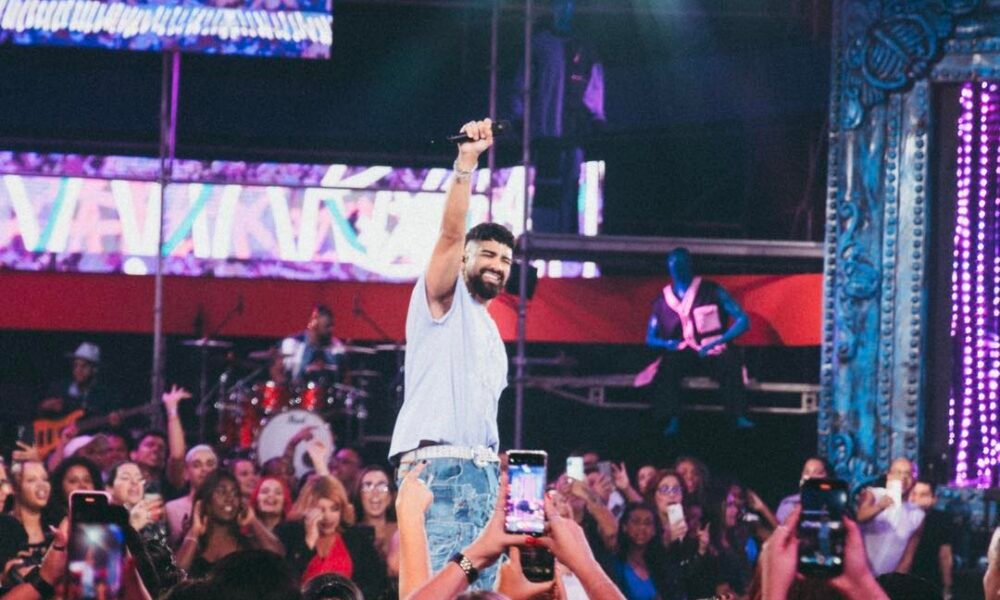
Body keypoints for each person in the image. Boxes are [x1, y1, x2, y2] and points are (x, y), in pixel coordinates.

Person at [388, 118, 512, 590]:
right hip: (439, 473)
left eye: (505, 260)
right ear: (464, 259)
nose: (497, 265)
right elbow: (449, 234)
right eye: (487, 254)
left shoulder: (491, 333)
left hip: (483, 477)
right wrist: (466, 164)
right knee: (436, 593)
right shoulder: (442, 301)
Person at [511, 0, 605, 235]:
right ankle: (543, 234)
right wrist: (519, 115)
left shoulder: (584, 47)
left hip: (573, 130)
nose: (564, 12)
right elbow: (523, 82)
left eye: (569, 6)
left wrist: (596, 116)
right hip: (545, 130)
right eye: (560, 6)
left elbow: (595, 83)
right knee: (546, 185)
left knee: (570, 184)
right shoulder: (540, 44)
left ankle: (567, 235)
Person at [646, 247, 752, 435]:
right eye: (673, 265)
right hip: (682, 350)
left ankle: (738, 415)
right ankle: (672, 418)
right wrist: (666, 344)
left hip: (712, 348)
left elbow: (743, 320)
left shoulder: (711, 290)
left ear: (690, 265)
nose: (677, 269)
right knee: (667, 368)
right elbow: (650, 338)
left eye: (681, 264)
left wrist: (719, 341)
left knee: (730, 362)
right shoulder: (663, 300)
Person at [274, 475, 385, 598]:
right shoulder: (288, 535)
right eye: (320, 509)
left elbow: (375, 584)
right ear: (307, 509)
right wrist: (309, 542)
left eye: (334, 509)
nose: (328, 517)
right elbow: (284, 585)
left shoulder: (357, 538)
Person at [174, 470, 285, 579]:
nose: (230, 498)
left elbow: (278, 557)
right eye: (221, 492)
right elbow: (175, 576)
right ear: (206, 502)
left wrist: (253, 520)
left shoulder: (247, 544)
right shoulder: (190, 545)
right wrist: (194, 531)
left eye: (235, 493)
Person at [856, 457, 925, 576]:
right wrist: (879, 507)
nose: (903, 478)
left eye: (907, 474)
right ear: (889, 475)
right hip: (859, 573)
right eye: (898, 473)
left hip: (887, 579)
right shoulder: (874, 494)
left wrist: (896, 582)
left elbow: (908, 557)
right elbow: (859, 517)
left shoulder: (917, 515)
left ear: (914, 480)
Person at [0, 461, 51, 589]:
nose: (7, 490)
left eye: (45, 479)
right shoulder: (8, 529)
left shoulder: (56, 526)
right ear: (16, 487)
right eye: (31, 480)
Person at [37, 342, 120, 420]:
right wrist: (44, 407)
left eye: (83, 366)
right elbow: (38, 414)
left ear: (95, 369)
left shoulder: (104, 395)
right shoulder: (59, 388)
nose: (78, 370)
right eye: (75, 365)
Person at [165, 444, 219, 549]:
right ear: (186, 473)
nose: (205, 469)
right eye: (197, 465)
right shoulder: (171, 508)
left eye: (210, 464)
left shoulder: (228, 505)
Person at [613, 503, 670, 600]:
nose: (642, 527)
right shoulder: (614, 564)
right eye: (636, 522)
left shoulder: (662, 564)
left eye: (647, 523)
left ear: (654, 530)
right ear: (624, 527)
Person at [907, 480, 953, 599]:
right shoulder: (901, 516)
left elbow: (945, 555)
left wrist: (947, 586)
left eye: (923, 495)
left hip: (930, 579)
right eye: (914, 493)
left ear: (933, 499)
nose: (916, 499)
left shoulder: (941, 520)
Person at [352, 466, 399, 574]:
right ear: (359, 495)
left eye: (382, 486)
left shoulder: (402, 531)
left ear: (390, 496)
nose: (375, 493)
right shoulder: (351, 534)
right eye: (368, 486)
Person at [280, 305, 344, 382]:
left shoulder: (337, 346)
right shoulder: (292, 343)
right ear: (314, 324)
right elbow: (281, 373)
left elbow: (343, 375)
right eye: (327, 326)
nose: (331, 330)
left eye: (332, 326)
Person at [41, 455, 103, 528]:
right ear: (60, 486)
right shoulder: (47, 522)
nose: (82, 485)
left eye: (87, 480)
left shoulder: (105, 518)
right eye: (73, 481)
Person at [775, 456, 831, 523]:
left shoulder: (835, 505)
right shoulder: (788, 504)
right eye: (806, 472)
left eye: (818, 473)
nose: (810, 477)